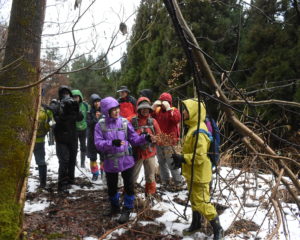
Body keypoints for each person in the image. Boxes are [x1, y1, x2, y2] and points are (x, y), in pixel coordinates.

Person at [94, 96, 151, 224]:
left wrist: (144, 138)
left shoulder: (124, 122)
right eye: (113, 110)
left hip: (126, 160)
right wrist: (111, 143)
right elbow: (98, 143)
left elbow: (134, 139)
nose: (116, 111)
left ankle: (127, 209)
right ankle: (115, 207)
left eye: (117, 109)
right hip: (110, 162)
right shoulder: (100, 125)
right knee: (112, 187)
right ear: (106, 111)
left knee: (129, 186)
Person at [171, 99, 223, 240]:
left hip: (200, 174)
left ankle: (218, 228)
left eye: (186, 109)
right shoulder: (192, 127)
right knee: (195, 200)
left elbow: (199, 157)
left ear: (194, 112)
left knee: (202, 202)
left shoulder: (199, 131)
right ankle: (195, 224)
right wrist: (181, 161)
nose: (183, 112)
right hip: (192, 173)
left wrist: (183, 158)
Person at [49, 86, 83, 193]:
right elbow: (57, 120)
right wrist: (61, 110)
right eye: (63, 93)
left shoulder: (73, 105)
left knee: (72, 159)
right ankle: (62, 184)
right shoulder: (57, 105)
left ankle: (71, 179)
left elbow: (80, 118)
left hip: (72, 137)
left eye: (67, 93)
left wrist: (76, 109)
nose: (66, 95)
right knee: (64, 161)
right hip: (61, 138)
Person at [130, 97, 161, 199]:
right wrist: (141, 136)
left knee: (150, 177)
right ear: (138, 109)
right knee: (133, 177)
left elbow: (160, 137)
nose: (145, 110)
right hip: (137, 154)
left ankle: (150, 196)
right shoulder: (133, 121)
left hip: (150, 153)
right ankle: (130, 196)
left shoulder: (153, 122)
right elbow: (129, 137)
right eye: (143, 108)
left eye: (147, 108)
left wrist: (154, 139)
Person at [151, 92, 183, 186]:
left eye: (165, 102)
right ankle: (165, 180)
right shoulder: (157, 110)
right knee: (161, 162)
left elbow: (176, 119)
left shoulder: (173, 110)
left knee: (171, 162)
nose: (163, 104)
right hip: (159, 141)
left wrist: (169, 109)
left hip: (169, 141)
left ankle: (178, 181)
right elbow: (150, 118)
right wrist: (153, 107)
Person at [33, 104, 53, 189]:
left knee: (40, 161)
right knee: (41, 161)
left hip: (31, 140)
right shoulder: (46, 110)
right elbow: (51, 124)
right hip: (39, 140)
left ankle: (42, 183)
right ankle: (43, 183)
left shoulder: (45, 110)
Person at [71, 89, 89, 168]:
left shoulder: (85, 105)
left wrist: (87, 123)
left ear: (80, 97)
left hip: (84, 129)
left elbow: (89, 115)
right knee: (74, 146)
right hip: (74, 129)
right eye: (74, 97)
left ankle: (82, 162)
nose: (75, 99)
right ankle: (74, 162)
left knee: (83, 146)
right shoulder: (70, 106)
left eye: (77, 97)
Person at [86, 93, 102, 181]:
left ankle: (104, 172)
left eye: (98, 101)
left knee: (103, 156)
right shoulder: (89, 113)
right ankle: (95, 173)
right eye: (95, 102)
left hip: (102, 138)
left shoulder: (104, 111)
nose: (97, 103)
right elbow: (89, 124)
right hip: (92, 138)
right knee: (93, 157)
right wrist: (95, 118)